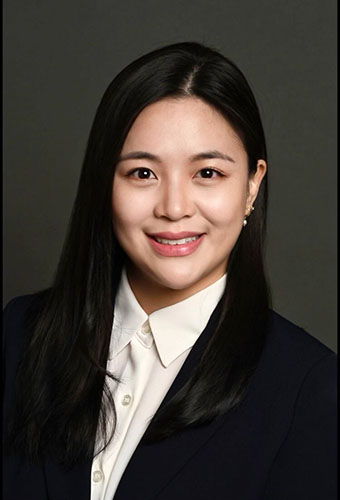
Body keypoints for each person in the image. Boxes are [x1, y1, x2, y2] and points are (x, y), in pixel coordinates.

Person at [3, 42, 337, 500]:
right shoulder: (19, 334)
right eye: (142, 173)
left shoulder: (308, 388)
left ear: (252, 185)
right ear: (105, 183)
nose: (174, 208)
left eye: (208, 174)